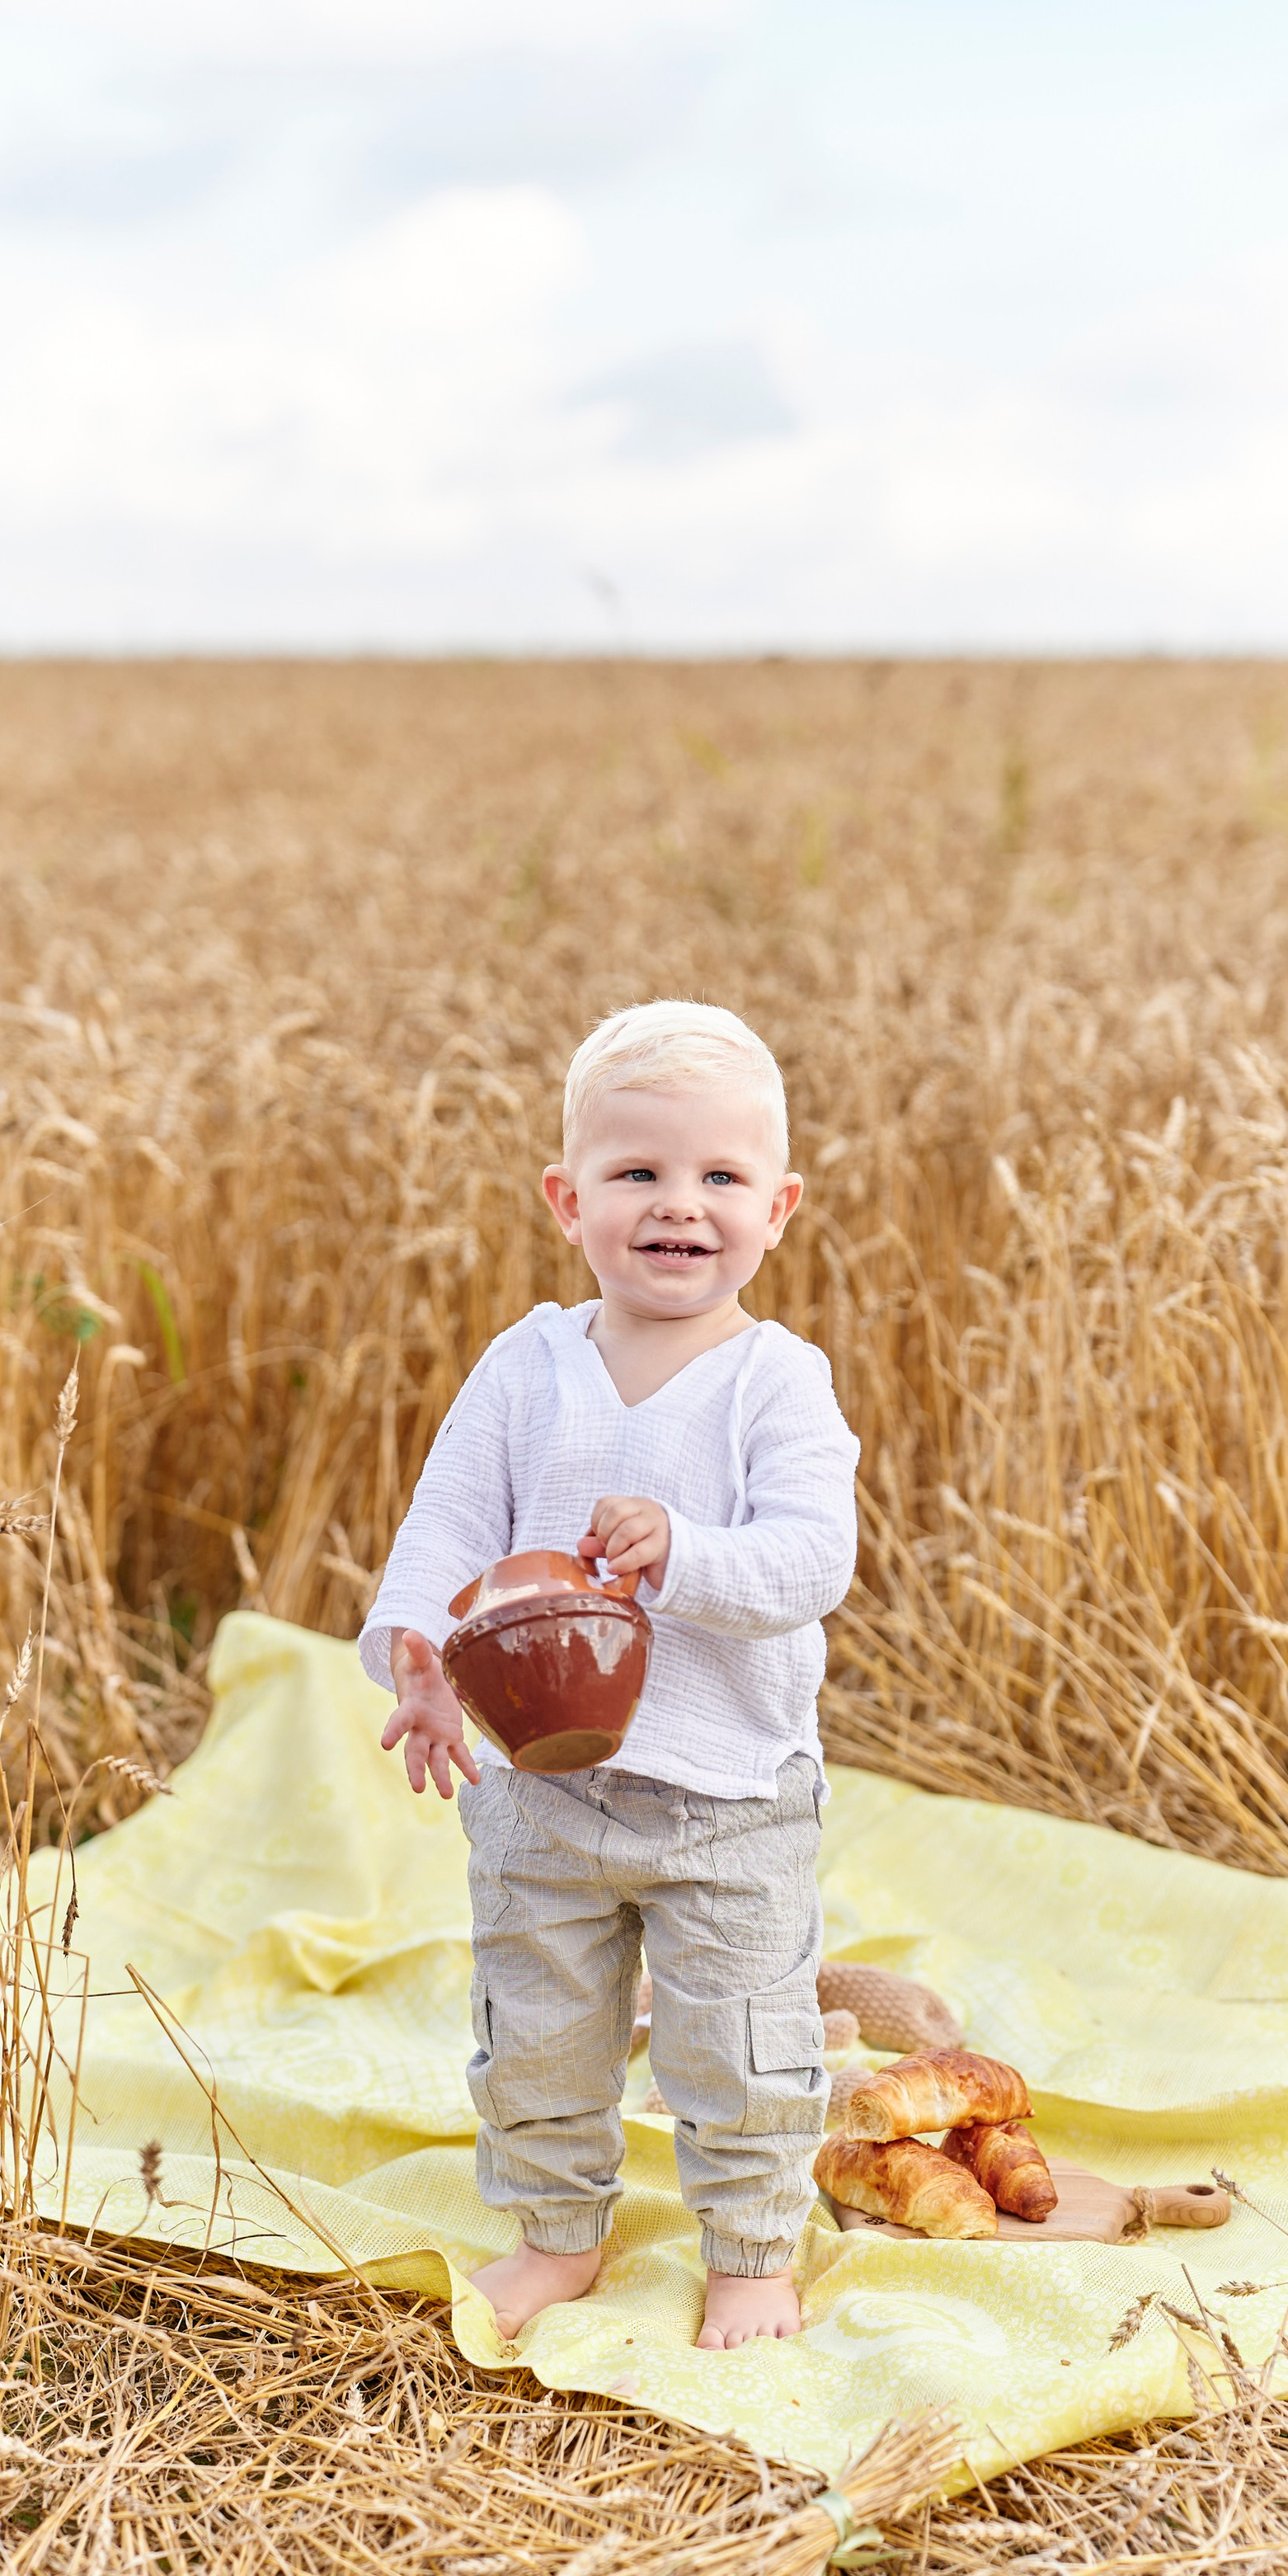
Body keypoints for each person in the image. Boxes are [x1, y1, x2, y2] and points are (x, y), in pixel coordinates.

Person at [359, 1000, 859, 2350]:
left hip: (730, 1796)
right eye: (637, 1174)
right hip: (540, 1789)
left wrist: (684, 1554)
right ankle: (557, 2232)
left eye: (719, 1179)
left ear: (780, 1206)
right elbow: (447, 1527)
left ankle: (752, 2249)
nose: (677, 1206)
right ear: (566, 1198)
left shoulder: (777, 1383)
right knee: (537, 2028)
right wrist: (418, 1654)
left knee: (742, 2036)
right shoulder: (526, 1370)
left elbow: (814, 1559)